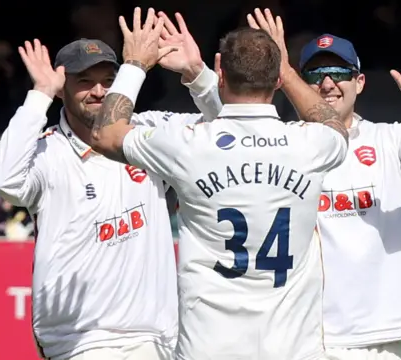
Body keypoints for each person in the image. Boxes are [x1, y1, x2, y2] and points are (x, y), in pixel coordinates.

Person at [91, 8, 348, 360]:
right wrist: (285, 70)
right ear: (275, 80)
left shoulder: (187, 144)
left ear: (221, 73)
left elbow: (106, 134)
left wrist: (135, 64)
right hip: (292, 348)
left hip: (208, 346)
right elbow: (334, 123)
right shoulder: (311, 144)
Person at [0, 10, 224, 360]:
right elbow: (1, 180)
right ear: (62, 90)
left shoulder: (147, 134)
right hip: (81, 340)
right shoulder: (49, 151)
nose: (98, 91)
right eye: (84, 81)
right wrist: (39, 95)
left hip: (158, 338)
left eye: (108, 80)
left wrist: (197, 74)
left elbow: (230, 135)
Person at [298, 34, 401, 359]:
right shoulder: (287, 145)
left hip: (379, 336)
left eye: (339, 73)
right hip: (309, 334)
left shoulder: (390, 139)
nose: (328, 83)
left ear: (359, 82)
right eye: (316, 75)